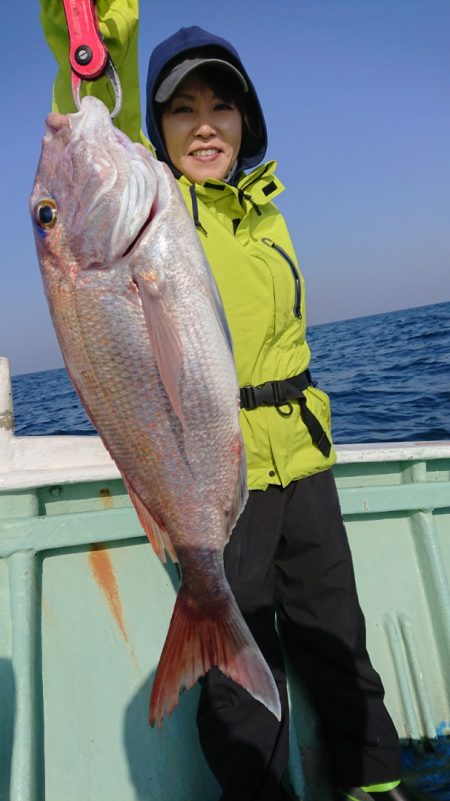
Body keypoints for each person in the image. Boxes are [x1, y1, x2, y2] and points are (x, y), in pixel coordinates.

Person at [41, 4, 431, 801]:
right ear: (157, 131)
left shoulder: (268, 214)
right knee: (240, 677)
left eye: (221, 106)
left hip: (306, 463)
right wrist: (89, 27)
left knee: (337, 640)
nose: (205, 125)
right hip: (222, 475)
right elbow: (91, 106)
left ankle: (376, 785)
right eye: (182, 110)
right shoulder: (158, 206)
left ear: (246, 120)